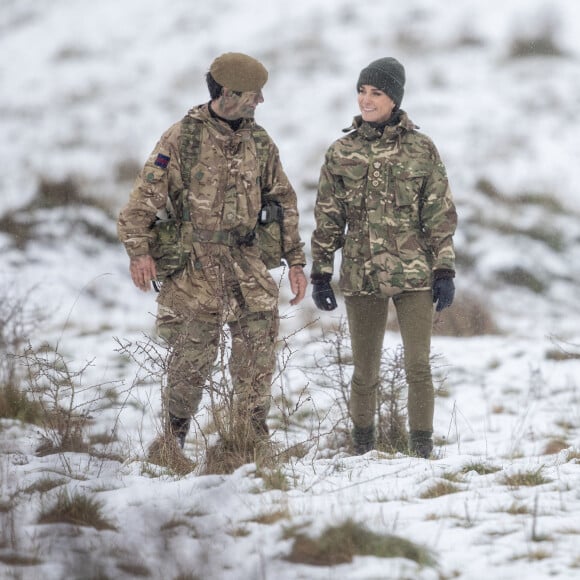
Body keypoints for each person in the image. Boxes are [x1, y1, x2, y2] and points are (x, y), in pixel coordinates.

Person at [118, 52, 307, 452]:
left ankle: (250, 438)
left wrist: (296, 261)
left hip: (247, 265)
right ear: (227, 93)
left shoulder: (259, 141)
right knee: (191, 360)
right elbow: (142, 201)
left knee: (257, 355)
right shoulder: (181, 138)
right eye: (254, 95)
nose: (260, 103)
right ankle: (173, 440)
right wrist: (139, 252)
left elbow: (284, 201)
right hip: (194, 267)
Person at [310, 57, 457, 458]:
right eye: (361, 91)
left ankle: (421, 452)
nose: (366, 100)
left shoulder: (421, 149)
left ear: (394, 98)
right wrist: (321, 272)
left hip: (414, 273)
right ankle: (363, 449)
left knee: (418, 367)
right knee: (364, 372)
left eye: (376, 93)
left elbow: (439, 214)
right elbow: (327, 216)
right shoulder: (340, 152)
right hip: (361, 275)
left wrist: (444, 268)